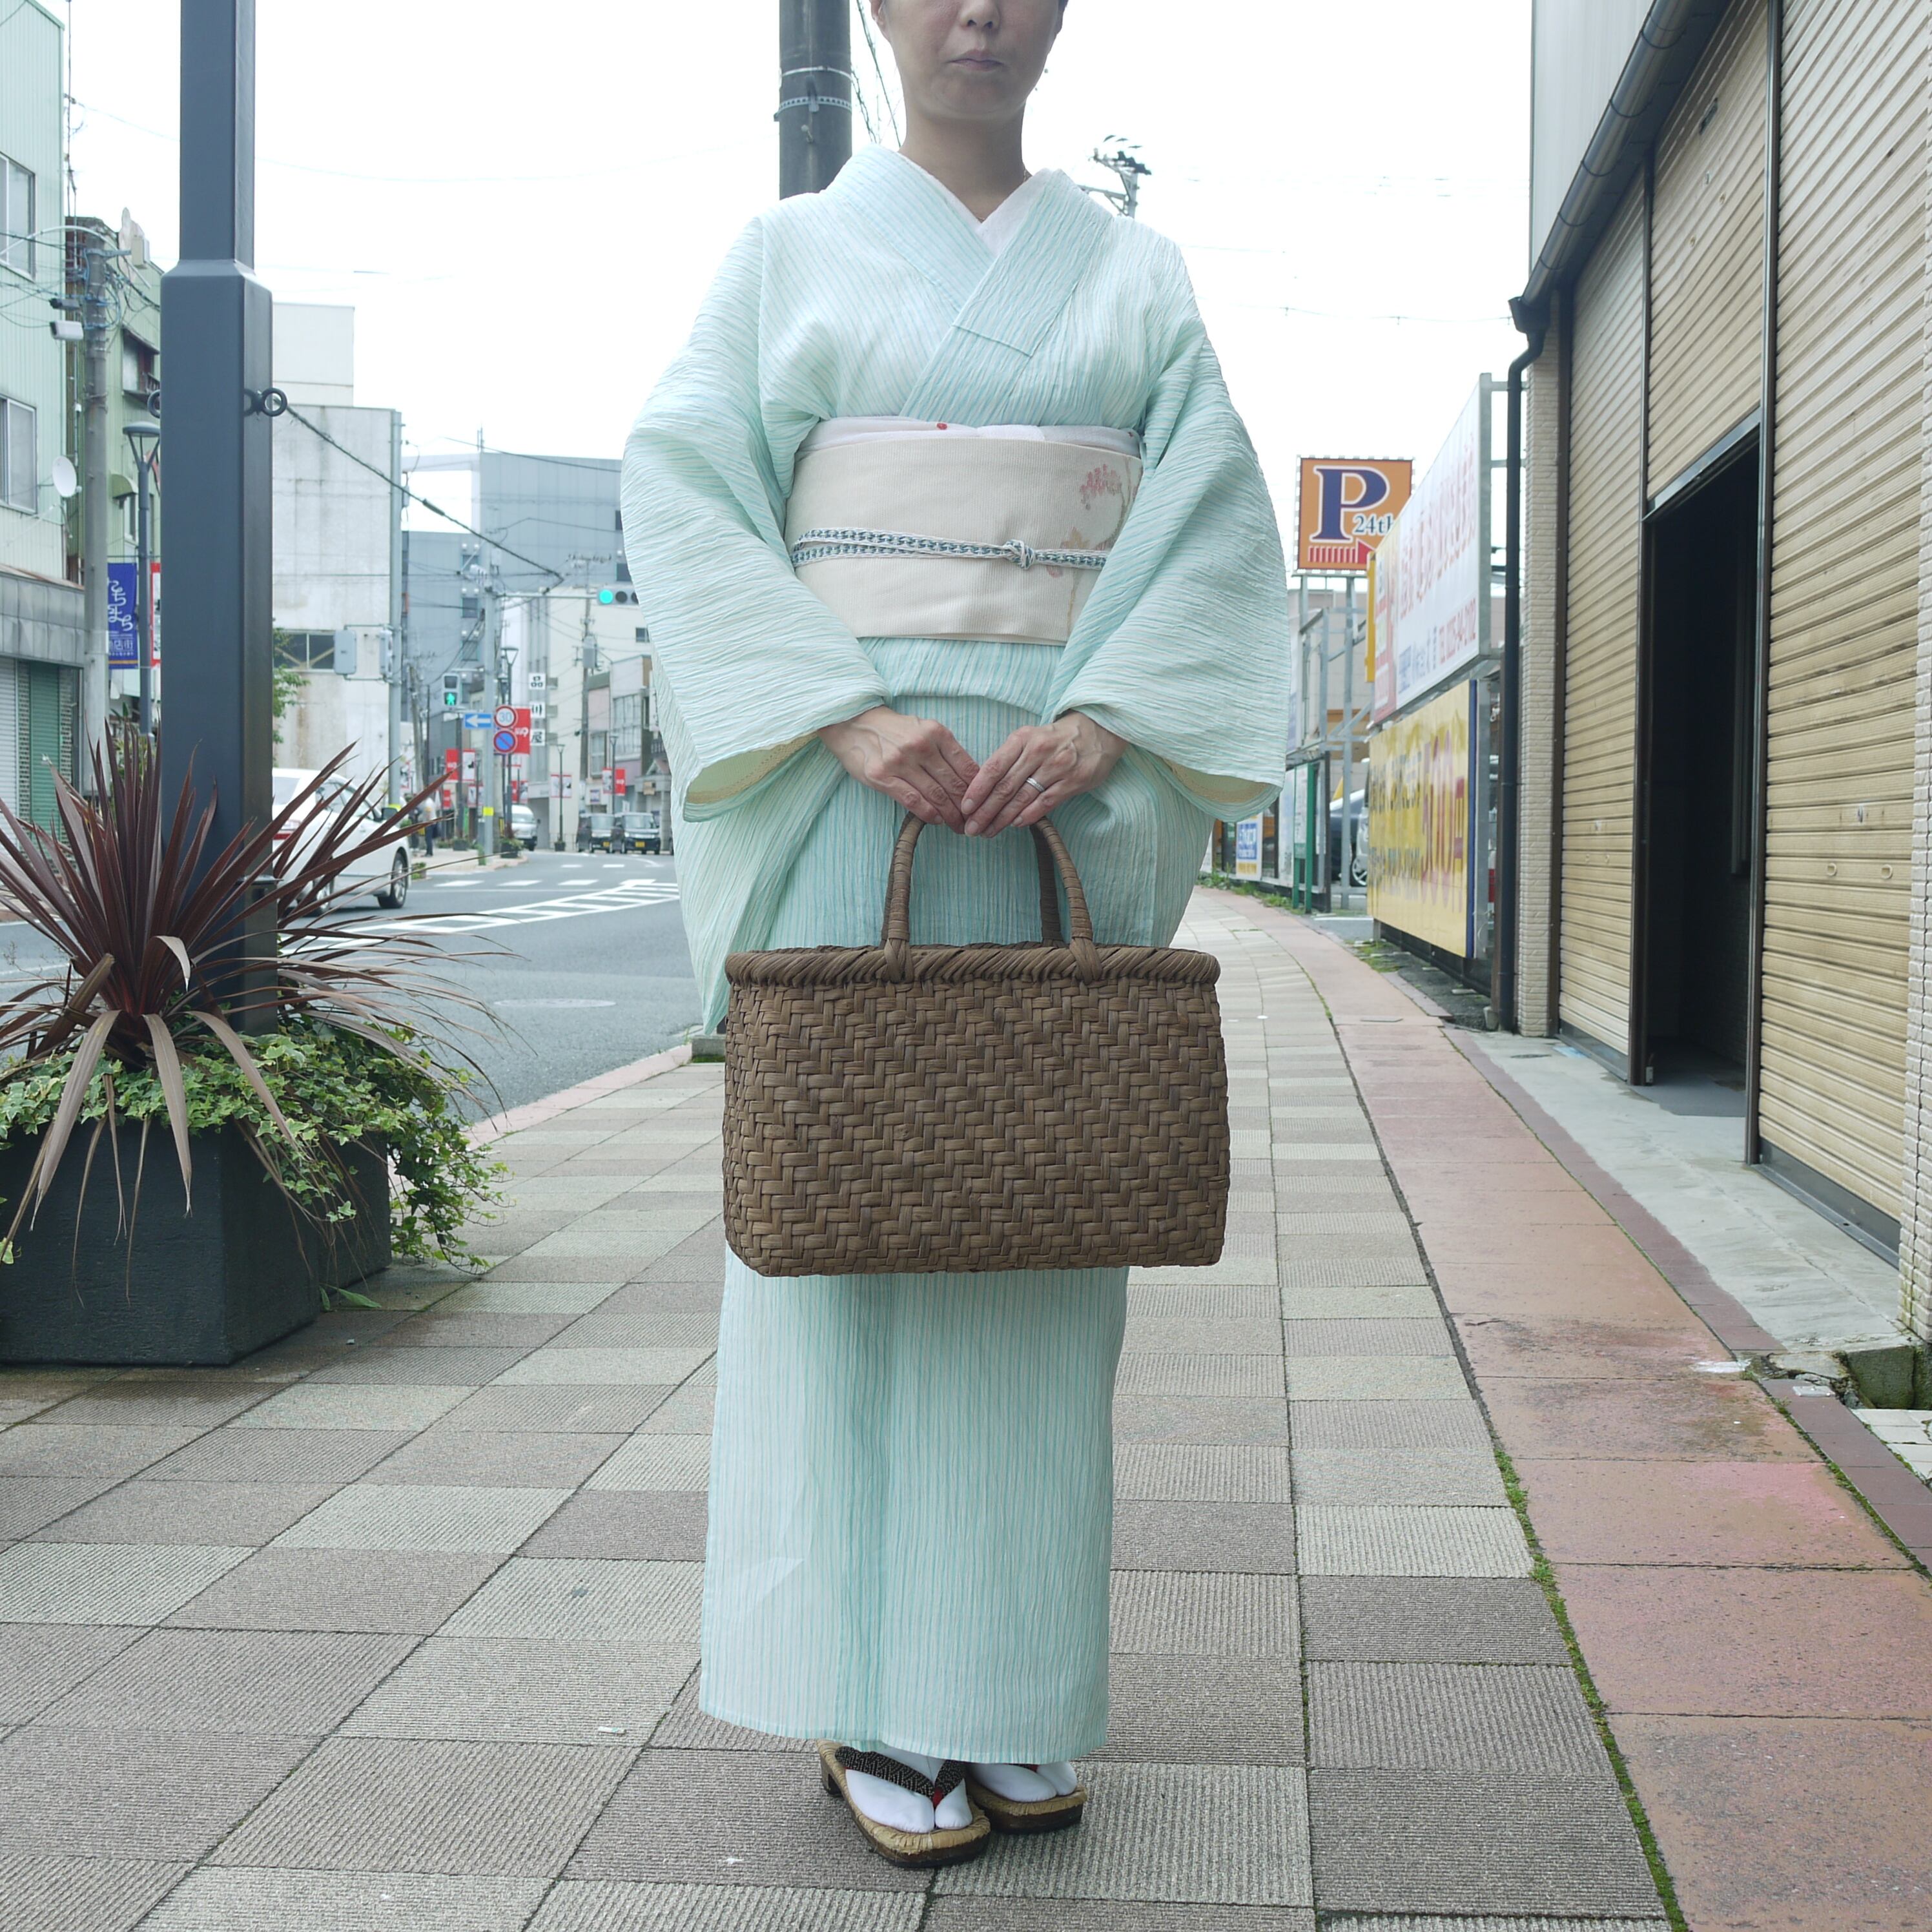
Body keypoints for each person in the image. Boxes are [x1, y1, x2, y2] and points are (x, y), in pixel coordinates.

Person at [622, 0, 1290, 1869]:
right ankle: (870, 1702)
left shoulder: (1136, 274)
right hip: (857, 796)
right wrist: (840, 711)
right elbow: (683, 485)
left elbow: (1216, 527)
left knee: (1034, 1242)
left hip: (1051, 794)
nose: (976, 12)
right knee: (848, 1234)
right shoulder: (782, 259)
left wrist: (1110, 724)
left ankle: (1005, 1696)